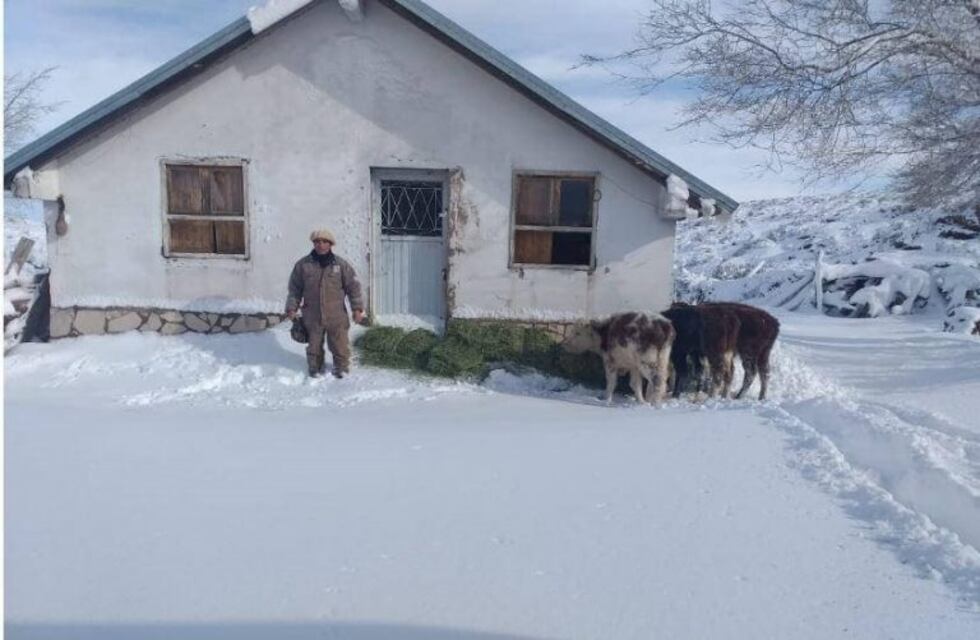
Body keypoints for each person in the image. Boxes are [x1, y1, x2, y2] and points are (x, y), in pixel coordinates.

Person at [286, 229, 365, 378]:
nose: (320, 245)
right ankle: (315, 369)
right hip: (312, 315)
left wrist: (357, 309)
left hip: (336, 315)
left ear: (330, 244)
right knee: (314, 346)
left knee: (340, 345)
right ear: (313, 243)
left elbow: (353, 287)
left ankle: (341, 369)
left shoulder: (341, 265)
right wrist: (291, 307)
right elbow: (295, 289)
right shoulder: (303, 265)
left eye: (324, 242)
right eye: (317, 242)